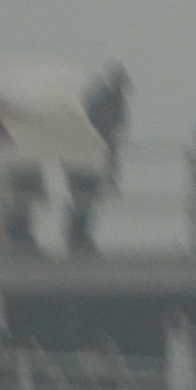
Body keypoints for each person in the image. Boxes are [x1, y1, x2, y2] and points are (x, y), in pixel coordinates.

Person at [66, 63, 131, 256]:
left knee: (90, 199)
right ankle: (77, 236)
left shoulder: (113, 101)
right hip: (87, 158)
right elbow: (103, 129)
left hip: (95, 157)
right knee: (83, 198)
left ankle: (81, 235)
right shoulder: (104, 100)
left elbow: (114, 132)